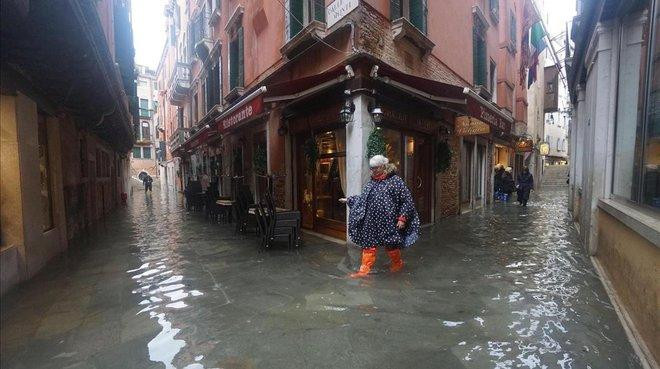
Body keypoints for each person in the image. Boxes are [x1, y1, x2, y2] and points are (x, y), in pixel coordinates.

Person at [339, 155, 420, 278]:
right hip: (370, 222)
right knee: (368, 245)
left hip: (388, 221)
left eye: (375, 168)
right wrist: (349, 200)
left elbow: (406, 200)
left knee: (391, 244)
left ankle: (397, 263)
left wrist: (402, 218)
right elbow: (362, 200)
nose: (373, 171)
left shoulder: (395, 181)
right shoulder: (371, 182)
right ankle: (364, 271)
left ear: (383, 166)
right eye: (371, 168)